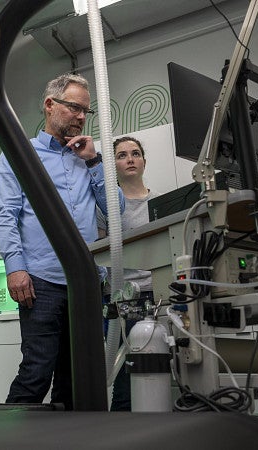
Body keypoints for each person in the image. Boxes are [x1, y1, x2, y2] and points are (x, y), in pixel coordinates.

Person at [0, 73, 125, 410]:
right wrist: (15, 269)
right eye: (74, 108)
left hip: (86, 283)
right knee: (36, 371)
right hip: (41, 280)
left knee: (78, 378)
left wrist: (94, 162)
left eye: (86, 111)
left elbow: (116, 211)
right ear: (50, 105)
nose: (81, 117)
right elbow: (6, 214)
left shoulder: (88, 158)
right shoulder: (19, 155)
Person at [100, 135, 158, 411]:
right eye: (122, 155)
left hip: (158, 299)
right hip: (121, 301)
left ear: (144, 161)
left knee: (158, 375)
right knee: (124, 381)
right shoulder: (107, 206)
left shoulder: (162, 204)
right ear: (113, 166)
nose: (130, 159)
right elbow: (96, 254)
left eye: (135, 153)